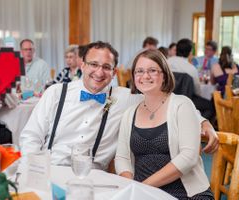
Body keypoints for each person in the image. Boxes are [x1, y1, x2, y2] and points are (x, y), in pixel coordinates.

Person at [19, 41, 219, 171]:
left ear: (114, 73)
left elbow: (168, 102)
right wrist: (37, 171)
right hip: (50, 170)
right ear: (82, 66)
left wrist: (203, 122)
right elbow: (31, 136)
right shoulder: (55, 93)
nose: (99, 72)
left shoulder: (125, 97)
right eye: (94, 64)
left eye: (106, 67)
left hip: (95, 178)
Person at [115, 49, 213, 199]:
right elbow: (122, 158)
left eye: (152, 70)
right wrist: (131, 187)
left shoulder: (182, 104)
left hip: (185, 192)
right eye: (139, 71)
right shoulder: (130, 113)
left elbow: (188, 157)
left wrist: (142, 186)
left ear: (164, 75)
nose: (145, 76)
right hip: (144, 193)